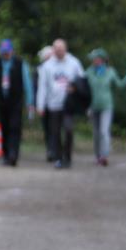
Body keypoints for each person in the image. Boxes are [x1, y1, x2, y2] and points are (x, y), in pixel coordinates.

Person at [0, 39, 35, 166]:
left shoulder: (21, 64)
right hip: (2, 101)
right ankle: (6, 155)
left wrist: (30, 103)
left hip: (16, 101)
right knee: (4, 127)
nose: (5, 54)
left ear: (12, 51)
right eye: (3, 52)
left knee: (15, 127)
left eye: (7, 52)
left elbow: (28, 85)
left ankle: (13, 154)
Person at [85, 48, 126, 166]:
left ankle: (104, 156)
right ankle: (97, 156)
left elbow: (120, 85)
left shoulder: (110, 71)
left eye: (95, 58)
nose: (93, 60)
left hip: (107, 106)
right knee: (96, 133)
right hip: (93, 107)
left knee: (104, 131)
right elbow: (83, 87)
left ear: (101, 59)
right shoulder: (89, 71)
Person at [35, 38, 84, 169]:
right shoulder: (47, 66)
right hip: (53, 104)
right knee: (55, 132)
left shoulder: (74, 63)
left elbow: (82, 81)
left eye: (61, 49)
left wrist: (76, 89)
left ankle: (67, 157)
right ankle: (59, 157)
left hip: (69, 104)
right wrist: (40, 105)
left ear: (65, 49)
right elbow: (43, 86)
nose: (59, 52)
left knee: (68, 129)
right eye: (56, 50)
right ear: (53, 50)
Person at [35, 45, 54, 161]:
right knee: (47, 128)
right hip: (44, 103)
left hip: (56, 103)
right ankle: (50, 149)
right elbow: (36, 87)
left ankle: (55, 149)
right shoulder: (39, 69)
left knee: (55, 128)